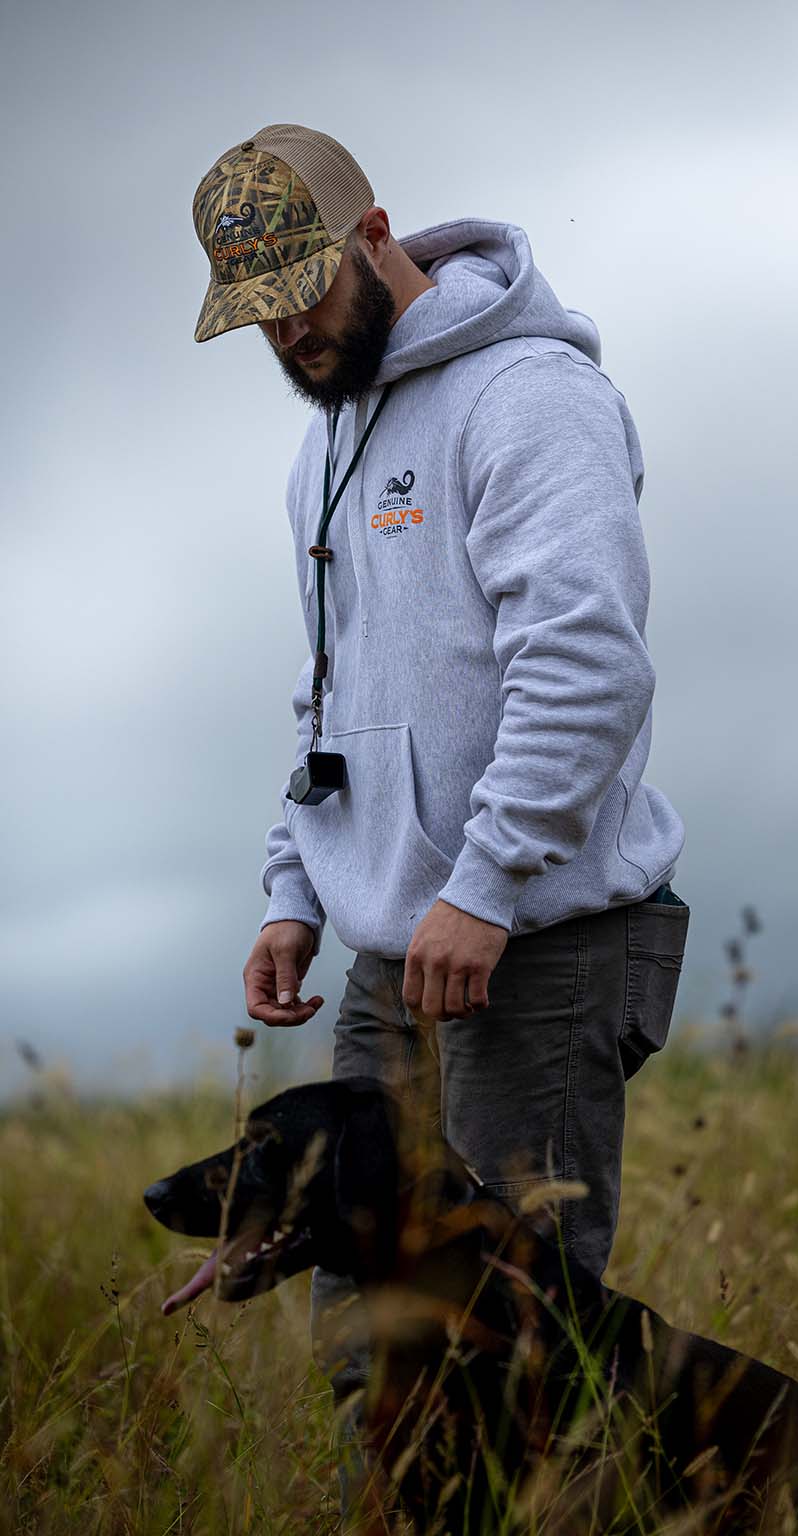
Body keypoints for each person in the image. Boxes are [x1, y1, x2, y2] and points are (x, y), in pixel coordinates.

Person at [191, 122, 688, 1397]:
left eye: (301, 297)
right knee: (375, 1333)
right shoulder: (323, 447)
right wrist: (294, 891)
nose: (287, 336)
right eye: (257, 319)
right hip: (390, 957)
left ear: (373, 238)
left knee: (513, 1340)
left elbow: (585, 660)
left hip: (535, 942)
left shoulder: (530, 396)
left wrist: (486, 880)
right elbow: (329, 695)